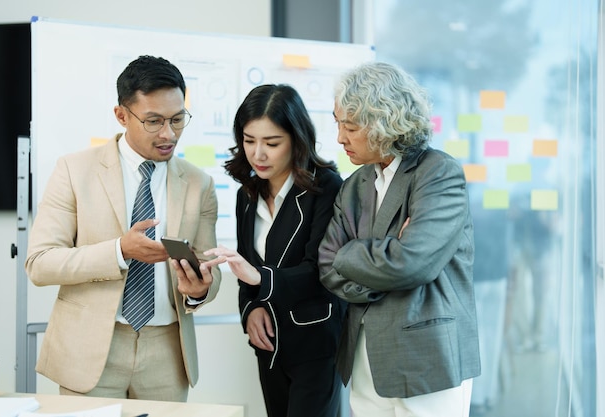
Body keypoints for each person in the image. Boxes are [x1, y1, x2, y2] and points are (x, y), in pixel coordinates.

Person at [25, 55, 221, 401]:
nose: (168, 133)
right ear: (121, 116)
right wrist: (119, 251)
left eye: (178, 119)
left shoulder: (198, 183)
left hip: (168, 353)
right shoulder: (74, 170)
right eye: (154, 121)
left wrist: (200, 289)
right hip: (90, 350)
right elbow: (40, 264)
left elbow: (208, 266)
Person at [318, 61, 480, 417]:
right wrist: (384, 257)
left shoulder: (437, 173)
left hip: (427, 356)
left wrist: (353, 255)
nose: (340, 138)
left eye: (351, 126)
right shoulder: (355, 185)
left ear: (383, 122)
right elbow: (329, 265)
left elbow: (412, 263)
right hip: (364, 358)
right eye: (338, 124)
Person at [201, 84, 345, 417]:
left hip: (315, 344)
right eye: (249, 141)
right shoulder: (247, 194)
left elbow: (322, 270)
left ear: (297, 139)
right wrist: (250, 309)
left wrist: (261, 282)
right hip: (268, 344)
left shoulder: (326, 188)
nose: (258, 154)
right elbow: (244, 269)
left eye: (272, 143)